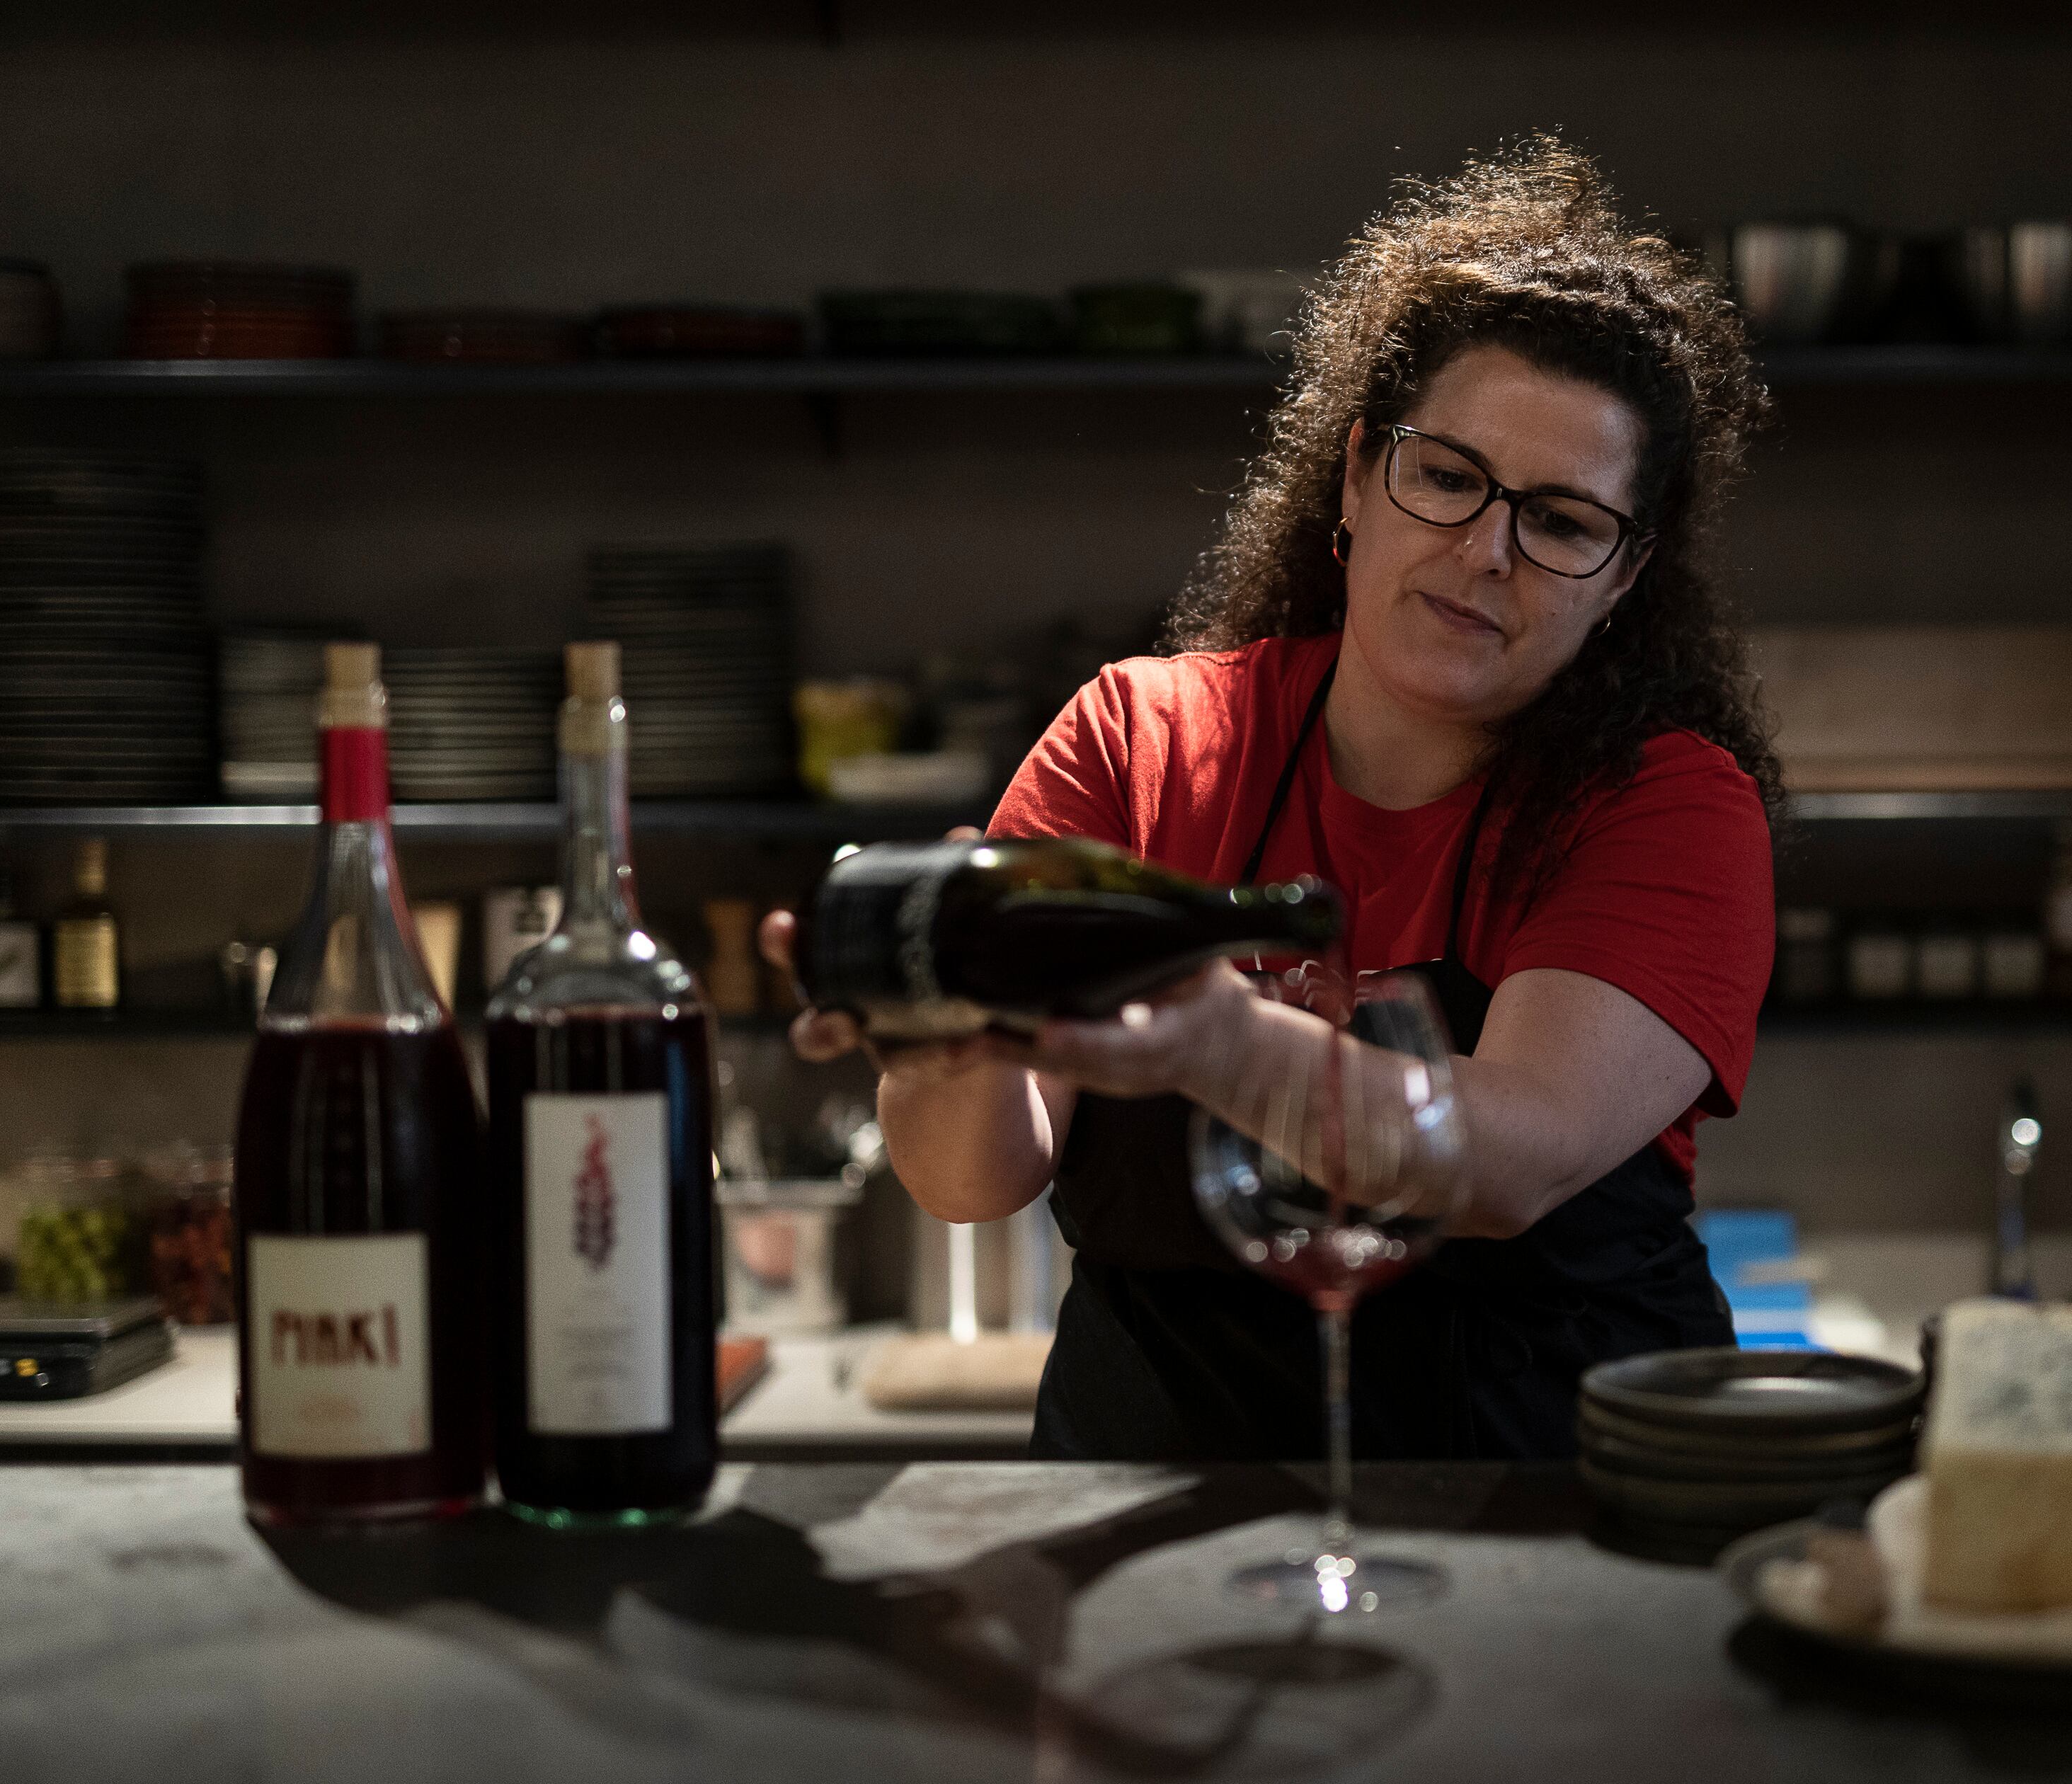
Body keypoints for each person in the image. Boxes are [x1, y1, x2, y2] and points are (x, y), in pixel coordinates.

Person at [761, 138, 1779, 1462]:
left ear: (1623, 577)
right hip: (1148, 1504)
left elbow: (1509, 1160)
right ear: (1356, 480)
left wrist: (1214, 1043)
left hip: (1543, 1518)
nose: (1485, 553)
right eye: (1448, 476)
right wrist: (950, 1043)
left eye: (1565, 523)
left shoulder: (1668, 805)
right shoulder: (1140, 741)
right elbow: (972, 1180)